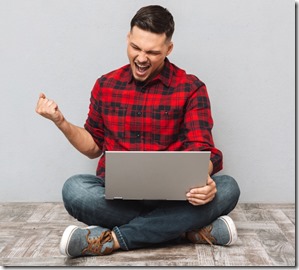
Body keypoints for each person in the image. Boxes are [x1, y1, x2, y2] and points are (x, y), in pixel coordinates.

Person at [35, 5, 240, 257]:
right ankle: (186, 230)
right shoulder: (106, 85)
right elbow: (92, 146)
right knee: (74, 190)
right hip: (117, 198)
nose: (142, 58)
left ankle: (113, 240)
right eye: (136, 48)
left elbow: (201, 149)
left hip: (177, 198)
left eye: (153, 52)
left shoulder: (191, 88)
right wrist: (61, 121)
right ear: (128, 40)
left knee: (228, 188)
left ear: (168, 49)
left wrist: (203, 181)